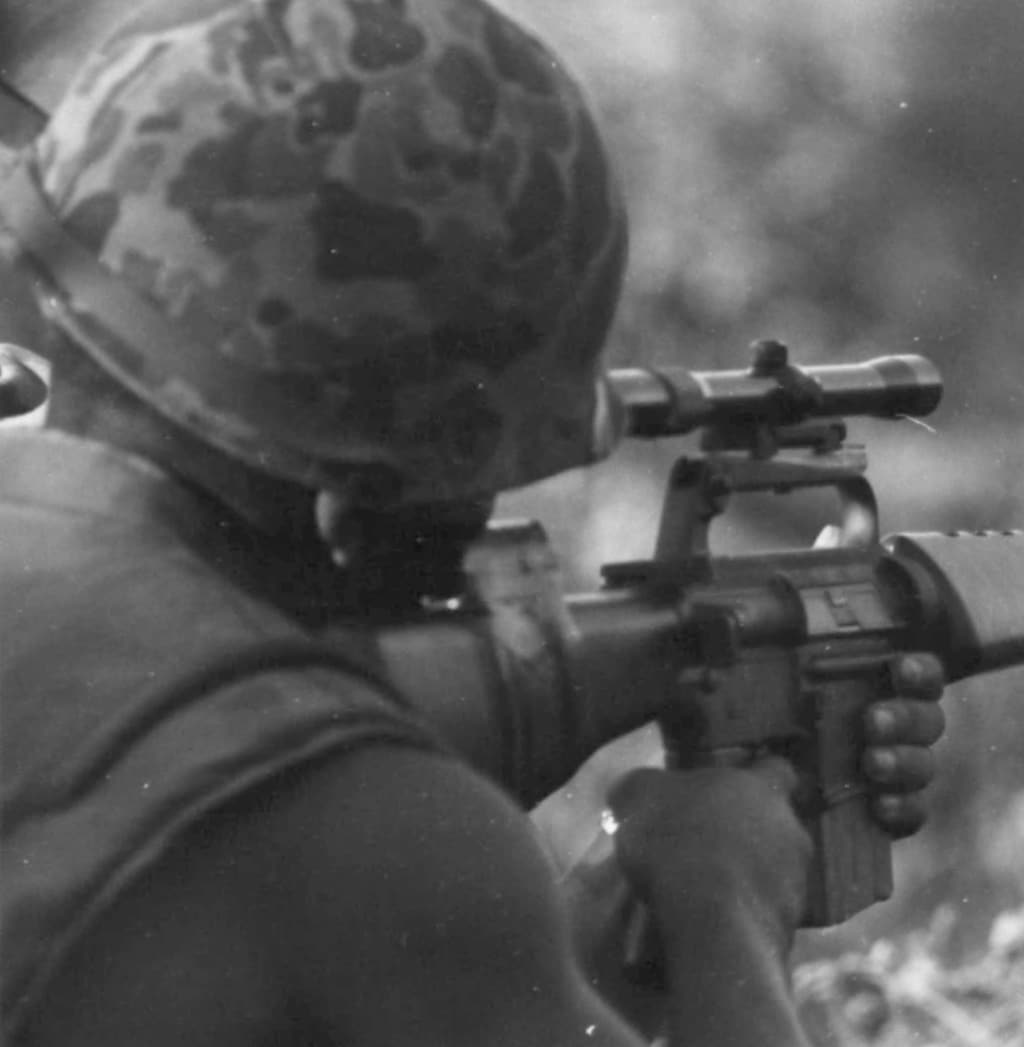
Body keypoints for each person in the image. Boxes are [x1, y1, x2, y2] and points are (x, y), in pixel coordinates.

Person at [0, 2, 946, 1045]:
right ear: (360, 503)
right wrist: (726, 910)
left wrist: (594, 921)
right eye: (491, 476)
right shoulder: (372, 819)